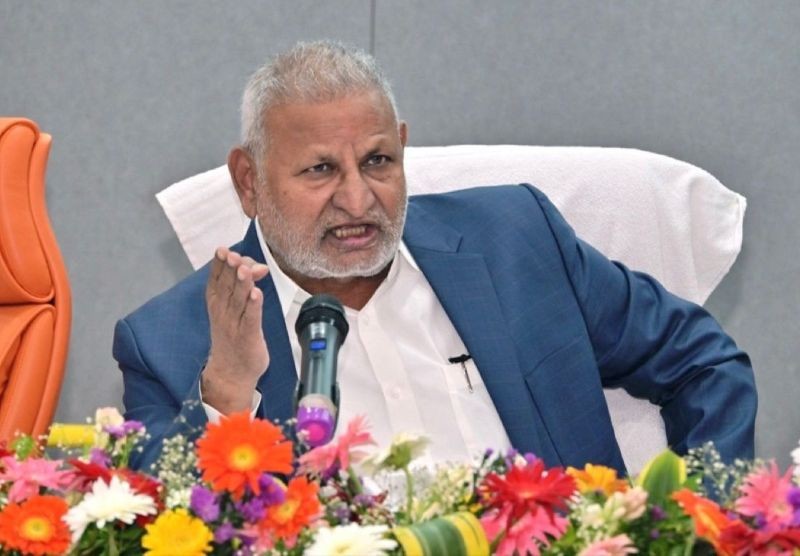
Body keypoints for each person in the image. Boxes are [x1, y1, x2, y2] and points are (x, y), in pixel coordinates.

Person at [114, 41, 756, 472]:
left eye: (377, 161)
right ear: (249, 181)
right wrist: (227, 396)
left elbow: (702, 361)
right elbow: (159, 525)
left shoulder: (515, 241)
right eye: (320, 170)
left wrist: (698, 526)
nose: (358, 199)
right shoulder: (169, 342)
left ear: (403, 148)